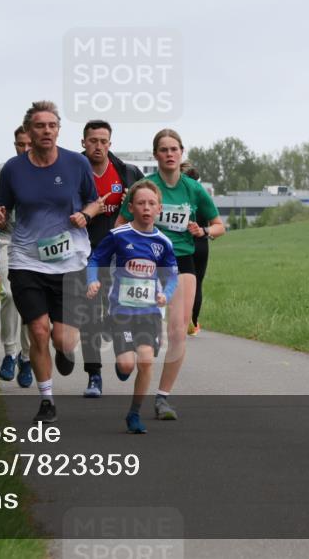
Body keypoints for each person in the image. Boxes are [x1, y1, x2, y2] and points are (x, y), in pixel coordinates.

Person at [0, 101, 100, 423]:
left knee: (62, 339)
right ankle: (47, 399)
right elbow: (1, 208)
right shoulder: (13, 169)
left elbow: (94, 201)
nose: (47, 131)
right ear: (29, 131)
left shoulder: (76, 164)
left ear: (58, 129)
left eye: (52, 125)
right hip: (27, 260)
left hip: (69, 263)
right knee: (38, 330)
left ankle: (65, 351)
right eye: (40, 126)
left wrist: (86, 214)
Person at [116, 129, 225, 421]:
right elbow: (121, 222)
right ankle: (126, 358)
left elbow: (218, 225)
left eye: (174, 149)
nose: (169, 154)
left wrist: (203, 231)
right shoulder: (144, 187)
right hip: (145, 262)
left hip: (182, 261)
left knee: (178, 331)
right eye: (163, 149)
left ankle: (163, 398)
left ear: (181, 152)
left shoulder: (193, 189)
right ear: (156, 155)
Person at [87, 180, 178, 434]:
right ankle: (121, 360)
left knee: (146, 361)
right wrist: (92, 280)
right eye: (140, 203)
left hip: (149, 311)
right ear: (131, 206)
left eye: (151, 203)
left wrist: (166, 295)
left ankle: (134, 413)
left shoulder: (163, 242)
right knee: (127, 365)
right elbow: (95, 259)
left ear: (159, 208)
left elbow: (172, 275)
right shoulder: (118, 236)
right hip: (122, 312)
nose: (146, 208)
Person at [80, 120, 144, 397]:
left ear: (110, 143)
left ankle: (122, 356)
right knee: (90, 314)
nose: (98, 146)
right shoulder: (73, 171)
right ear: (83, 143)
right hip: (84, 250)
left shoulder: (127, 173)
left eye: (103, 141)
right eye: (93, 140)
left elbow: (148, 201)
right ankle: (94, 376)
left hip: (119, 251)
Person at [0, 125, 34, 387]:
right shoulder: (4, 170)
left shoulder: (53, 170)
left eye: (29, 145)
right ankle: (10, 353)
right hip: (10, 239)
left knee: (31, 303)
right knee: (10, 294)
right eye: (19, 145)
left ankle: (26, 357)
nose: (24, 150)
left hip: (40, 245)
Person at [181, 162, 211, 336]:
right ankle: (193, 322)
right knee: (197, 284)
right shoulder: (202, 195)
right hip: (202, 243)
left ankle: (181, 321)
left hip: (185, 243)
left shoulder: (179, 197)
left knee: (182, 284)